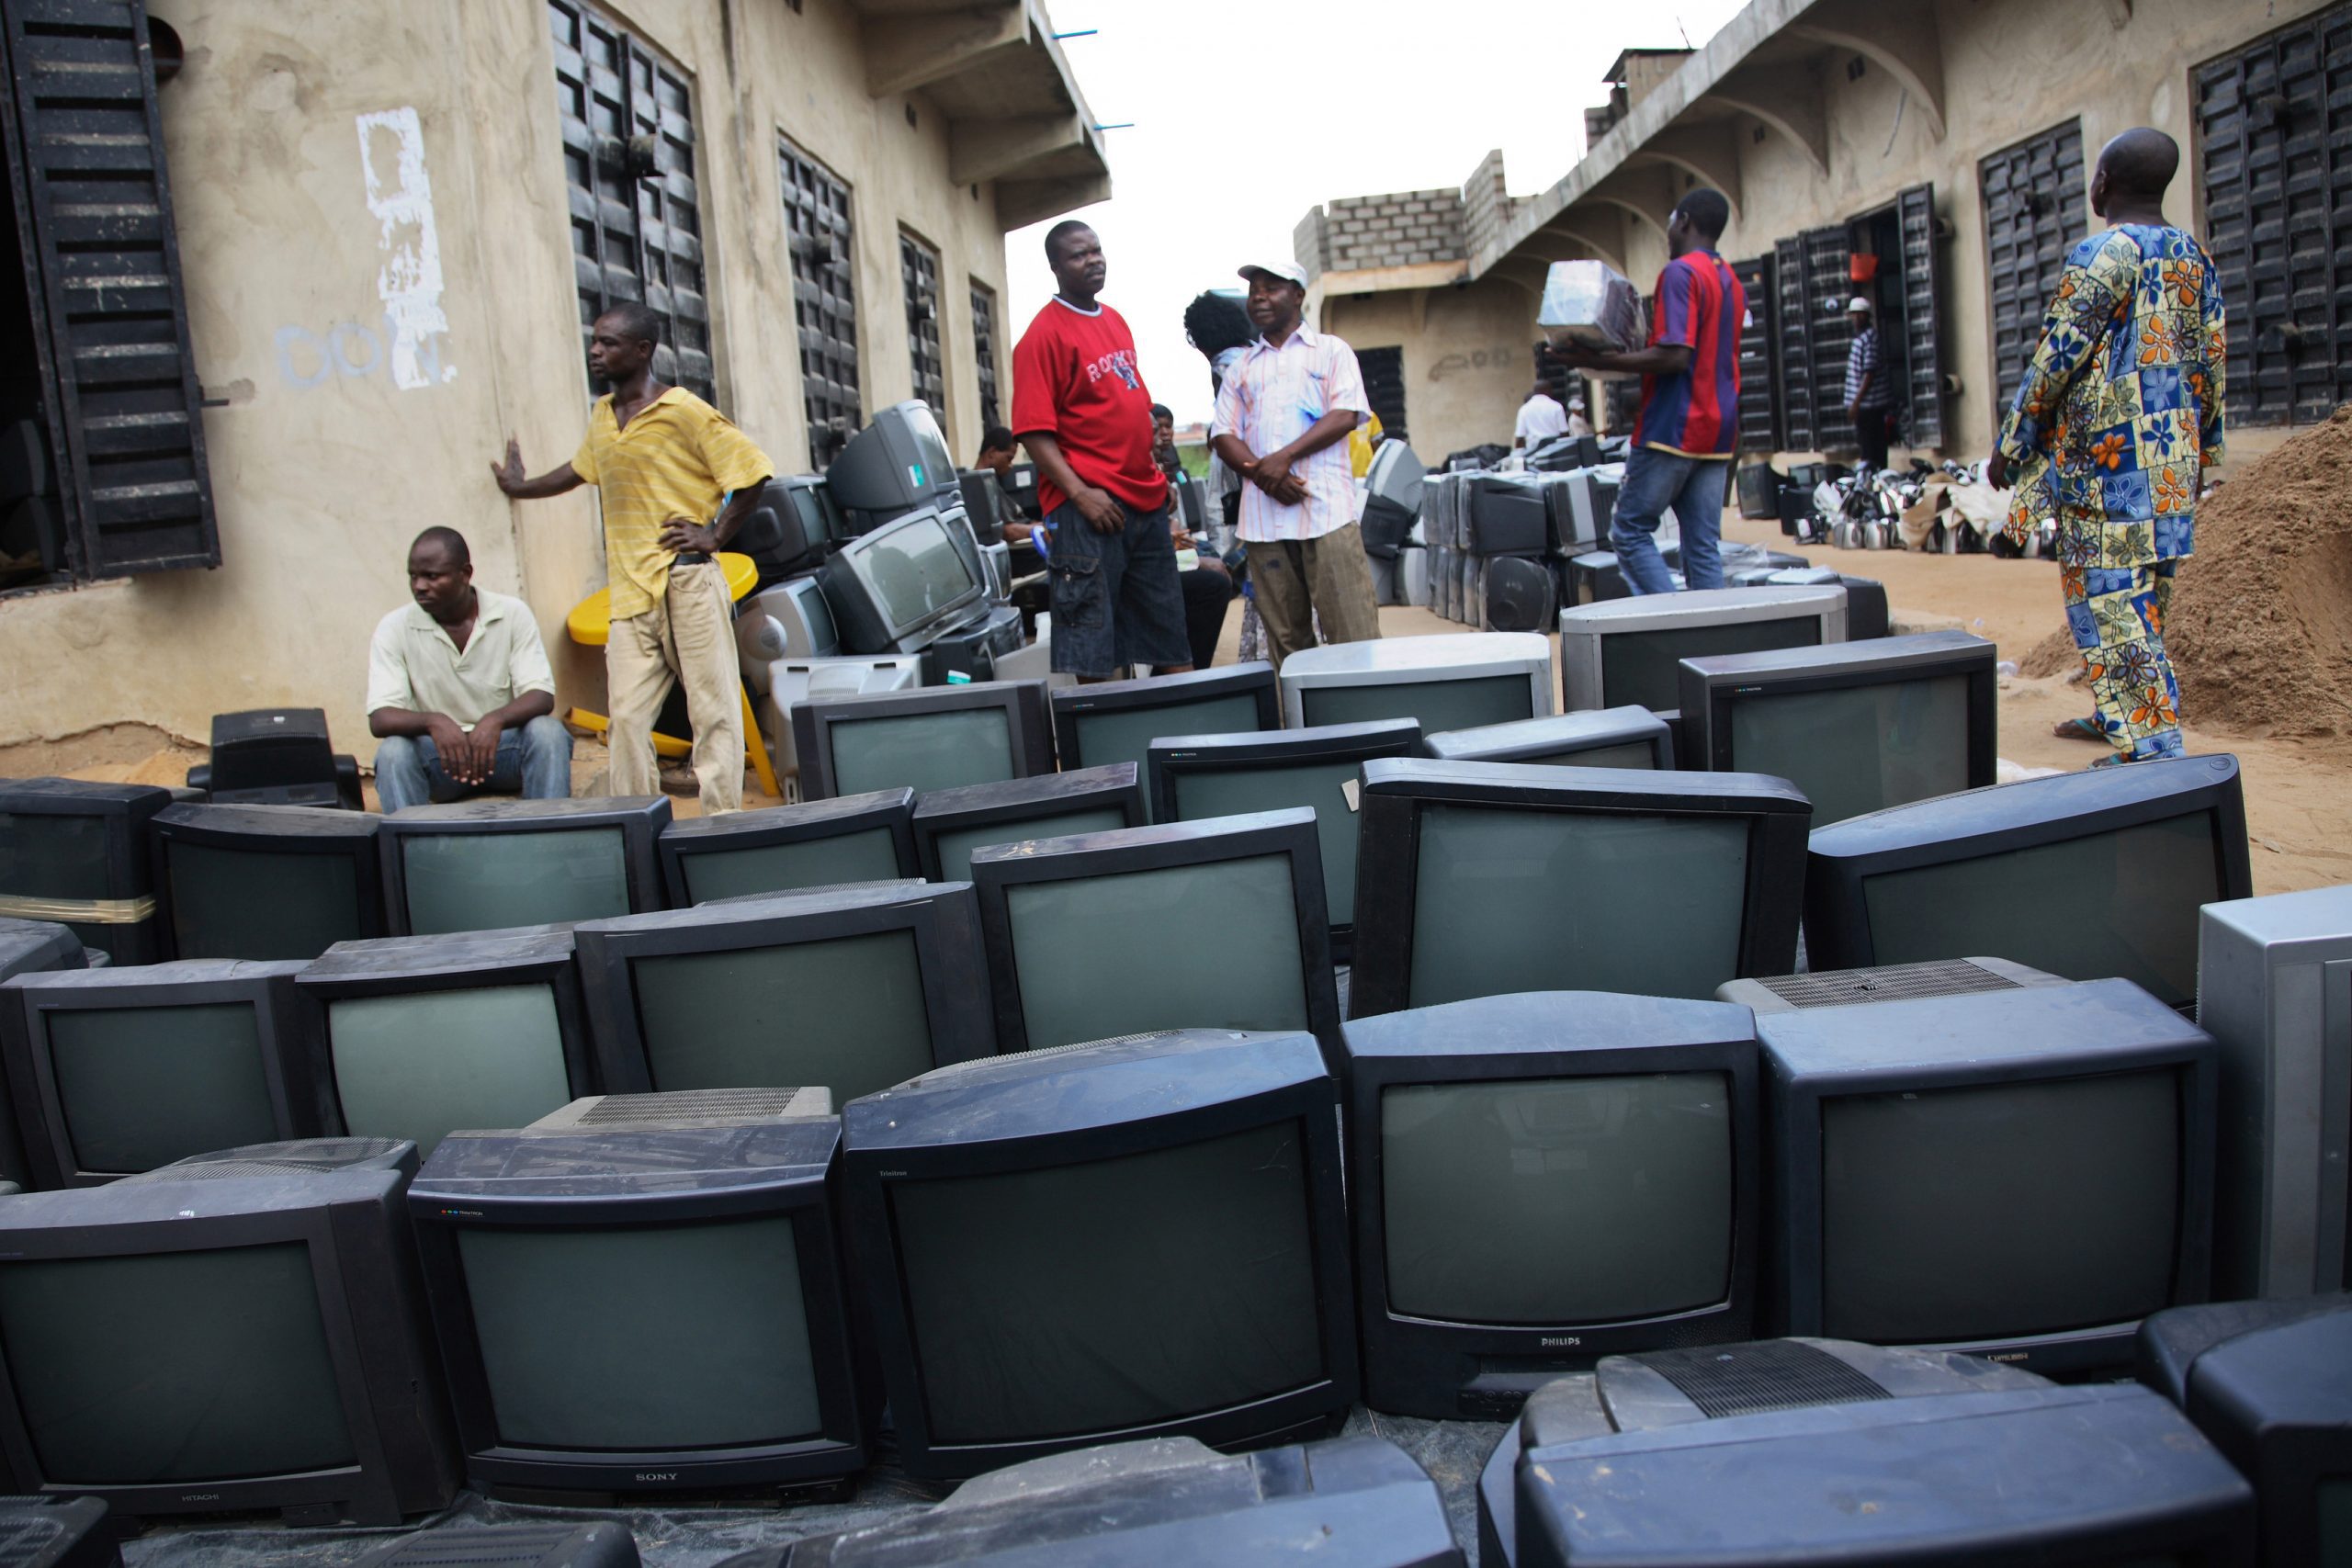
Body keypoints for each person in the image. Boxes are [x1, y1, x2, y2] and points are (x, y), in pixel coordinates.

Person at [1988, 128, 2224, 766]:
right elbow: (2211, 363)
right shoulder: (2193, 256)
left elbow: (2055, 358)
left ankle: (2151, 744)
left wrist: (2012, 442)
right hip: (2171, 459)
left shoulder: (2102, 255)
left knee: (2108, 597)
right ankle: (2115, 712)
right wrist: (2206, 454)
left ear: (2104, 183)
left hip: (2108, 463)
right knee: (2147, 596)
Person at [490, 303, 774, 813]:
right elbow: (579, 471)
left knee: (714, 715)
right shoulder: (604, 414)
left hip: (686, 586)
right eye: (595, 341)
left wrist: (713, 534)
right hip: (629, 596)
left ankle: (725, 827)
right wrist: (520, 486)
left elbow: (753, 471)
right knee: (624, 720)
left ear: (643, 351)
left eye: (609, 343)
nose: (596, 351)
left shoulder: (683, 409)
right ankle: (641, 827)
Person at [1010, 221, 1193, 681]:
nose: (1093, 260)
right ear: (1054, 267)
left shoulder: (1114, 319)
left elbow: (1129, 409)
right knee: (1095, 654)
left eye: (1096, 250)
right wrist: (1080, 494)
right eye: (1078, 255)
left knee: (1169, 635)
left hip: (1143, 503)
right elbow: (1033, 432)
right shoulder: (1041, 336)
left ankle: (1187, 747)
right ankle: (1106, 750)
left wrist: (1154, 472)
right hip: (1089, 511)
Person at [1548, 188, 1744, 594]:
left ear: (1685, 221)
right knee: (1702, 545)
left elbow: (1675, 357)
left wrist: (1597, 361)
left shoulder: (1681, 274)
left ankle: (1674, 626)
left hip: (1673, 427)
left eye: (1672, 222)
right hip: (1718, 431)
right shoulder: (1731, 279)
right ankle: (1714, 638)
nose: (1669, 232)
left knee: (1630, 532)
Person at [1209, 259, 1381, 669]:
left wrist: (1283, 459)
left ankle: (1371, 728)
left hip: (1326, 513)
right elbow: (1222, 435)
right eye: (1254, 291)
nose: (1259, 297)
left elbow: (1345, 414)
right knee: (1287, 642)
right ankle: (1304, 729)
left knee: (1352, 632)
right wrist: (1262, 475)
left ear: (1299, 295)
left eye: (1271, 288)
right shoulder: (1242, 368)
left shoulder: (1331, 351)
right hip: (1265, 522)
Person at [368, 527, 570, 812]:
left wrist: (494, 721)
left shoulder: (511, 613)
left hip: (502, 754)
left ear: (465, 573)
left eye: (432, 576)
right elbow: (380, 718)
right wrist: (433, 721)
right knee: (393, 752)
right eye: (414, 576)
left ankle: (549, 838)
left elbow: (541, 696)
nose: (419, 586)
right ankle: (409, 848)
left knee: (547, 733)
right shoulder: (394, 627)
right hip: (442, 762)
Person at [1149, 402, 1237, 668]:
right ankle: (1187, 672)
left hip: (1163, 558)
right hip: (1149, 570)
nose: (1163, 434)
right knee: (1214, 578)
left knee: (1214, 560)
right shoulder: (1137, 472)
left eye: (1167, 427)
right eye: (1156, 429)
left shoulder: (1162, 469)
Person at [1844, 296, 1895, 472]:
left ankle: (1875, 477)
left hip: (1870, 405)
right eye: (1854, 315)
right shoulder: (1860, 338)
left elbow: (1869, 373)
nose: (1856, 319)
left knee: (1872, 449)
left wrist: (1856, 403)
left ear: (1866, 316)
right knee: (1867, 446)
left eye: (1860, 315)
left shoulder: (1870, 338)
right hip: (1863, 406)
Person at [1514, 379, 1570, 449]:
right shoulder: (1557, 407)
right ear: (1547, 390)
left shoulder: (1524, 409)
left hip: (1533, 450)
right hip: (1554, 449)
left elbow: (1520, 437)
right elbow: (1564, 433)